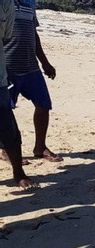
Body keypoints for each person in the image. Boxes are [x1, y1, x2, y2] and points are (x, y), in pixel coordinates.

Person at [2, 0, 61, 162]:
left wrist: (45, 62)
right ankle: (6, 149)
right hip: (7, 67)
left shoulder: (30, 3)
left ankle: (40, 147)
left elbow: (33, 34)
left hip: (30, 66)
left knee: (43, 105)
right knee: (5, 111)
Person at [0, 0, 37, 190]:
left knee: (8, 128)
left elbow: (6, 35)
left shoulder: (6, 4)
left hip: (0, 77)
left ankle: (18, 172)